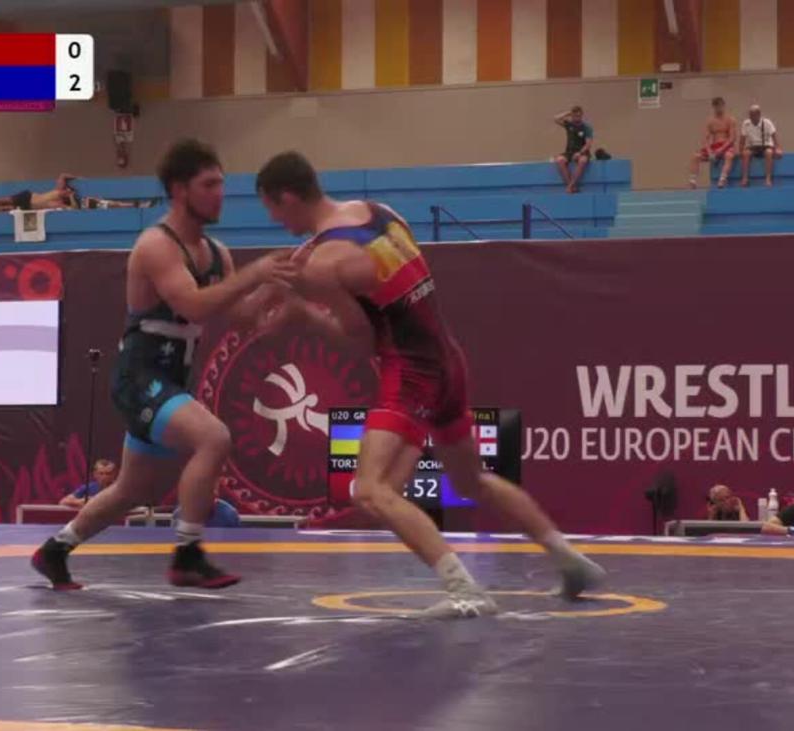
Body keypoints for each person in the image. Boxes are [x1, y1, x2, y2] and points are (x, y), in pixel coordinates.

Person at [253, 151, 606, 619]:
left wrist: (304, 317)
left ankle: (465, 590)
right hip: (447, 357)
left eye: (272, 209)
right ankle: (570, 560)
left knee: (370, 490)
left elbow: (361, 342)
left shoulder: (323, 262)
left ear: (288, 198)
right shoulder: (377, 212)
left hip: (411, 371)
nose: (274, 221)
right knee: (470, 479)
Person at [31, 139, 297, 591]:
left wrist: (281, 286)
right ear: (179, 190)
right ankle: (188, 555)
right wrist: (256, 273)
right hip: (140, 377)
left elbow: (240, 316)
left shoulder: (216, 252)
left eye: (221, 184)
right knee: (214, 438)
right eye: (209, 184)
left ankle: (54, 551)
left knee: (132, 491)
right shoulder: (157, 246)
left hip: (170, 380)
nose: (220, 194)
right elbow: (194, 305)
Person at [0, 173, 155, 212]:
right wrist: (79, 178)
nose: (67, 192)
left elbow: (73, 210)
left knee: (7, 208)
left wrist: (72, 199)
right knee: (7, 200)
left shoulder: (59, 204)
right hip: (29, 197)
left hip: (30, 207)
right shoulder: (58, 191)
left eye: (69, 193)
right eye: (68, 191)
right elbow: (62, 175)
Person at [688, 97, 737, 189]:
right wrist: (709, 151)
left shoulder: (730, 120)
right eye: (716, 106)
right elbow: (705, 139)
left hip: (726, 146)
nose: (718, 108)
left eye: (720, 106)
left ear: (723, 106)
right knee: (696, 156)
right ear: (713, 107)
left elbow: (732, 138)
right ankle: (692, 181)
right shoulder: (710, 121)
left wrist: (721, 149)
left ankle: (722, 179)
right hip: (714, 147)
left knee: (729, 156)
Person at [738, 104, 783, 187]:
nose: (751, 117)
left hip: (765, 146)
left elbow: (774, 137)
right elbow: (742, 139)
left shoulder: (767, 123)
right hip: (752, 147)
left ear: (758, 114)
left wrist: (778, 149)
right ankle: (745, 179)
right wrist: (740, 151)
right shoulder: (746, 123)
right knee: (746, 153)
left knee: (769, 152)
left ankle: (768, 179)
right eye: (750, 115)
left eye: (753, 115)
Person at [553, 106, 594, 194]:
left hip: (582, 152)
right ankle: (572, 186)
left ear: (582, 115)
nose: (577, 118)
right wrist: (568, 113)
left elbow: (588, 144)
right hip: (570, 152)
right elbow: (556, 119)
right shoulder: (569, 125)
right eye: (575, 116)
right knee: (559, 160)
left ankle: (571, 186)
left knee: (582, 161)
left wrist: (580, 153)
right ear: (572, 116)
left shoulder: (586, 127)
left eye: (579, 116)